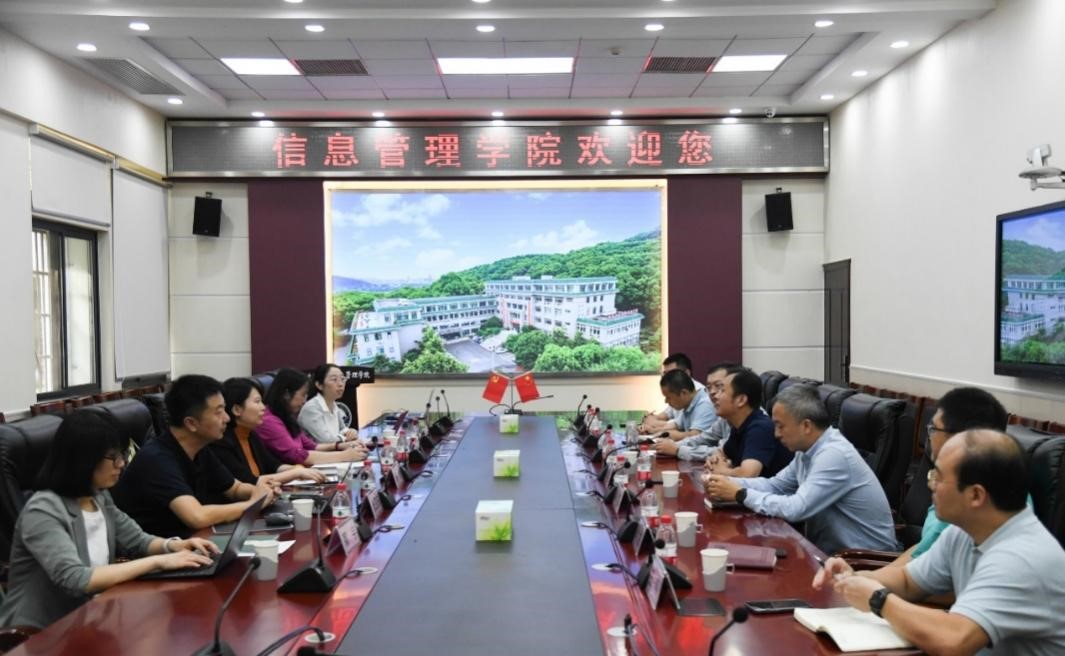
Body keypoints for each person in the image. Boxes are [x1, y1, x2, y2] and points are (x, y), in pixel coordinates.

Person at [814, 430, 1065, 655]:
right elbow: (909, 581)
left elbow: (953, 641)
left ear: (975, 495)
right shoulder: (964, 531)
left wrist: (879, 600)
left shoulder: (1021, 558)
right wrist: (857, 578)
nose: (929, 483)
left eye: (938, 476)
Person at [0, 411, 218, 629]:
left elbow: (138, 541)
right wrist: (158, 561)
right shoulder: (43, 511)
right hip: (39, 633)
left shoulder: (98, 496)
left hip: (92, 618)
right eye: (113, 457)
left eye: (122, 454)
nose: (122, 463)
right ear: (85, 459)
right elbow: (76, 579)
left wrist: (175, 546)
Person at [704, 385, 898, 554]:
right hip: (827, 554)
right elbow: (775, 485)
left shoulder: (833, 455)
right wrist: (726, 483)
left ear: (806, 426)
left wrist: (740, 494)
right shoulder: (806, 451)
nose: (776, 434)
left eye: (780, 426)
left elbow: (797, 508)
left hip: (862, 563)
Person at [112, 375, 277, 538]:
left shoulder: (200, 448)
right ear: (191, 423)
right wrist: (251, 505)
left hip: (192, 541)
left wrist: (261, 492)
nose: (227, 418)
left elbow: (234, 489)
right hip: (159, 548)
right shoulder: (156, 459)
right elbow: (197, 517)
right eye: (219, 412)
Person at [882, 387, 1008, 570]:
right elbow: (923, 550)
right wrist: (869, 577)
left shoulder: (978, 501)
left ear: (958, 438)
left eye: (933, 429)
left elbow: (931, 576)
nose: (928, 437)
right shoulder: (956, 481)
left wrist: (870, 581)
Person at [210, 377, 327, 486]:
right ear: (237, 409)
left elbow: (273, 465)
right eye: (257, 402)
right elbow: (248, 481)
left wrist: (297, 469)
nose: (263, 407)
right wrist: (295, 473)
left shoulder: (251, 434)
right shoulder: (222, 442)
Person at [257, 368, 368, 466]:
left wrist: (341, 446)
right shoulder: (269, 421)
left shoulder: (287, 416)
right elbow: (297, 456)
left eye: (342, 379)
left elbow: (311, 446)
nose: (304, 400)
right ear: (286, 394)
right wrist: (344, 455)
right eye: (303, 395)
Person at [705, 368, 792, 477]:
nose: (715, 396)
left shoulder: (760, 428)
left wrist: (723, 471)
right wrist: (715, 459)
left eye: (722, 391)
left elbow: (748, 474)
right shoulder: (739, 425)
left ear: (741, 400)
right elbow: (722, 452)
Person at [654, 362, 738, 460]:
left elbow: (724, 453)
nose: (712, 392)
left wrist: (677, 450)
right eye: (709, 387)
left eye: (719, 386)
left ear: (741, 397)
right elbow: (703, 438)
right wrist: (673, 446)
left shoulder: (749, 423)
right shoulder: (724, 419)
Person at [639, 353, 711, 433]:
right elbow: (675, 423)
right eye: (665, 374)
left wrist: (658, 426)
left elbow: (693, 435)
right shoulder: (685, 400)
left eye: (673, 373)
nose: (667, 377)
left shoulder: (701, 400)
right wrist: (652, 429)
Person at [299, 363, 360, 444]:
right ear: (319, 385)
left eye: (342, 379)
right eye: (334, 379)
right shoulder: (311, 408)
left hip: (334, 450)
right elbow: (326, 440)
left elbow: (343, 429)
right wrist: (346, 438)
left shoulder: (334, 405)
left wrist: (352, 432)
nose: (340, 384)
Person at [650, 369, 716, 443]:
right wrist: (653, 430)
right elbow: (676, 425)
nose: (666, 401)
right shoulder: (688, 404)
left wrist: (671, 434)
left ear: (683, 393)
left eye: (668, 397)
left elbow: (696, 436)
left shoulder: (705, 405)